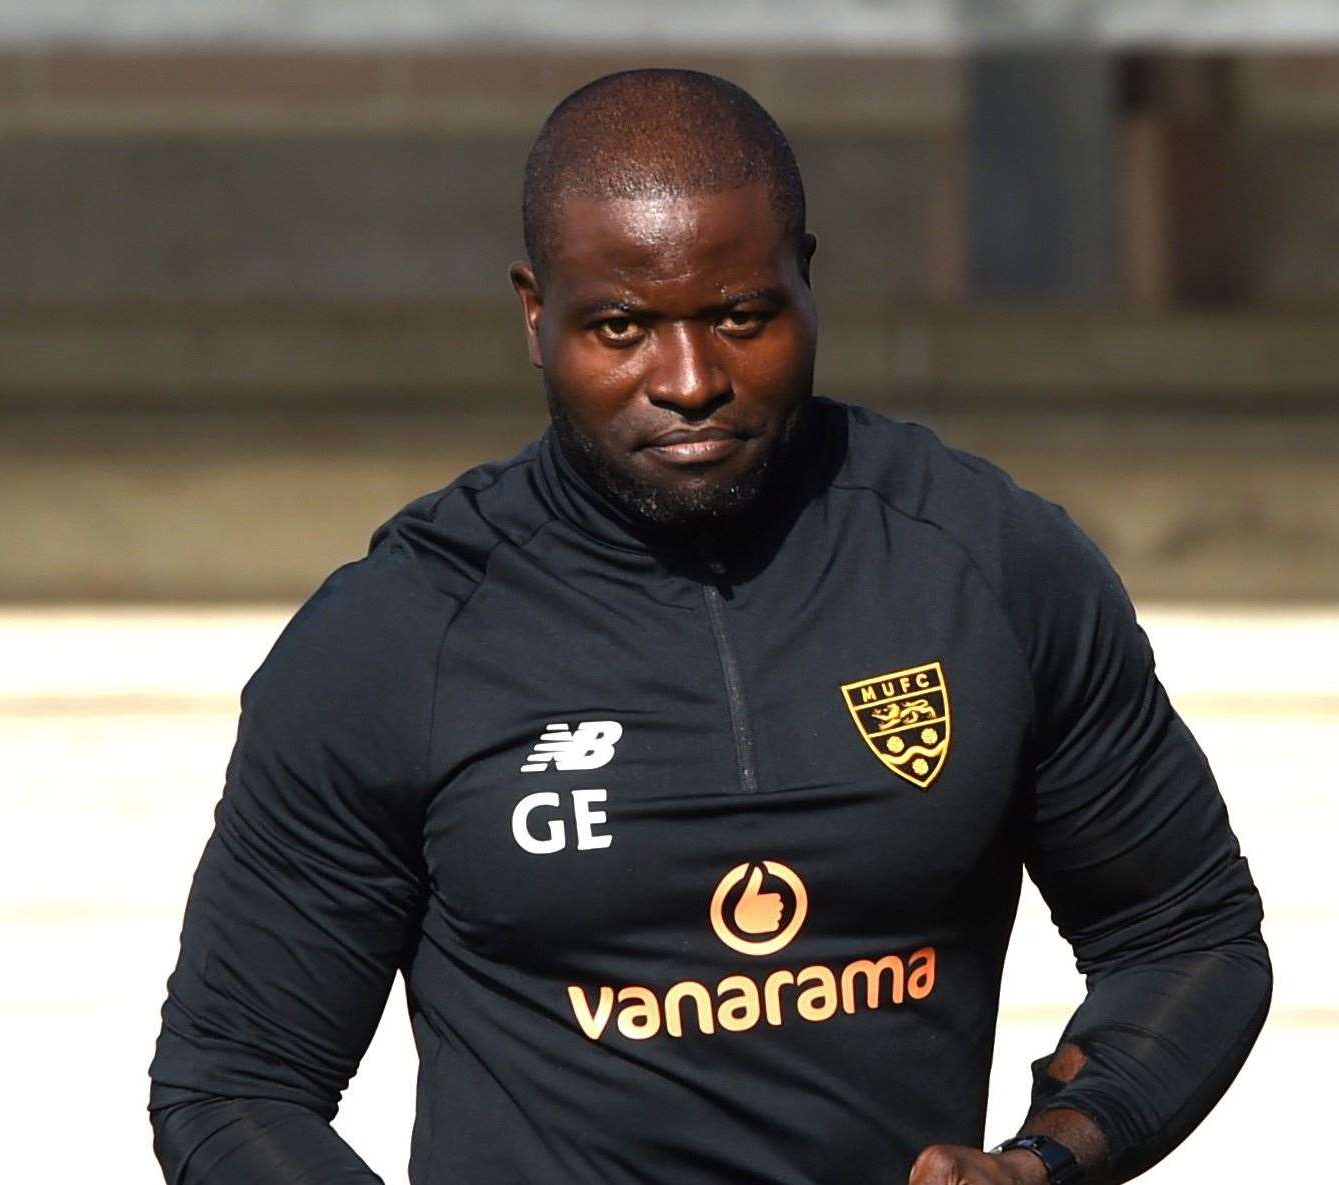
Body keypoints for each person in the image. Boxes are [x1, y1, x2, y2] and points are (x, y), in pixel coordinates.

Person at [149, 69, 1270, 1185]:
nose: (689, 380)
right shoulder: (397, 635)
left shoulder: (984, 566)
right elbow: (234, 1085)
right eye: (621, 326)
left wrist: (1047, 1158)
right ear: (536, 315)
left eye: (741, 317)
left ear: (807, 282)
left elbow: (1187, 938)